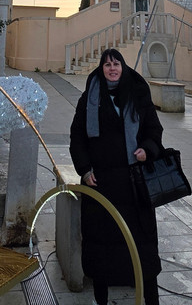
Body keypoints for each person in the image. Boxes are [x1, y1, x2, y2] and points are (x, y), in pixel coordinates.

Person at [70, 49, 163, 305]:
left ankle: (151, 299)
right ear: (101, 68)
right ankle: (101, 300)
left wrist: (147, 149)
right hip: (101, 184)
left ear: (123, 66)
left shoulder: (137, 94)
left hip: (134, 185)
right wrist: (84, 169)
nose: (112, 68)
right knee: (103, 249)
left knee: (142, 248)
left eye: (116, 64)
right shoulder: (90, 97)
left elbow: (154, 130)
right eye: (107, 64)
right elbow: (77, 136)